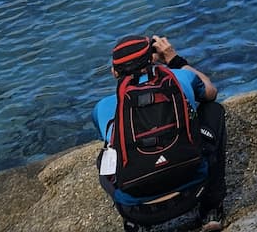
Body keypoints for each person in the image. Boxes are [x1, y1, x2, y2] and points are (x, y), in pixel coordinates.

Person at [94, 33, 227, 232]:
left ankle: (134, 225)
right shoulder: (180, 79)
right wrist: (173, 59)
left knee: (104, 156)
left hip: (136, 210)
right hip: (195, 191)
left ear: (114, 72)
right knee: (213, 110)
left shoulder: (103, 107)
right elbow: (211, 92)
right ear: (153, 59)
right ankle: (211, 209)